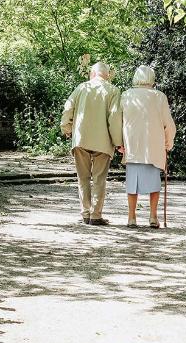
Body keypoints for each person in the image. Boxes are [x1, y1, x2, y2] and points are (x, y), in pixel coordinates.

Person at [61, 61, 123, 226]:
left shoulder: (81, 88)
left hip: (81, 140)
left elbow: (68, 109)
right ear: (107, 75)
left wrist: (67, 128)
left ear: (92, 74)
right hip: (103, 142)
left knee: (83, 178)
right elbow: (115, 118)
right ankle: (95, 215)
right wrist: (118, 142)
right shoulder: (113, 91)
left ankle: (85, 213)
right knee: (99, 179)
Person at [121, 65, 176, 228]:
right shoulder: (159, 97)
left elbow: (119, 120)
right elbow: (168, 124)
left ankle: (131, 217)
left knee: (132, 184)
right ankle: (153, 216)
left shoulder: (126, 95)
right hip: (153, 146)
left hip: (133, 145)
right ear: (152, 79)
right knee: (154, 183)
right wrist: (168, 142)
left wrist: (119, 143)